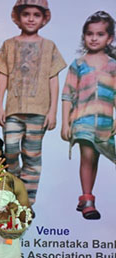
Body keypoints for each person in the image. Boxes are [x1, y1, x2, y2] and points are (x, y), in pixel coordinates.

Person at [0, 0, 66, 205]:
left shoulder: (49, 46)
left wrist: (53, 111)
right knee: (10, 150)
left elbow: (53, 79)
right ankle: (14, 191)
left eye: (36, 15)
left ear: (44, 18)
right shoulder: (9, 44)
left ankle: (27, 202)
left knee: (32, 156)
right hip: (13, 109)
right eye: (26, 14)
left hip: (39, 110)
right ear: (17, 17)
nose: (31, 19)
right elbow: (3, 75)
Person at [61, 11, 116, 220]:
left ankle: (85, 197)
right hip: (81, 120)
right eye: (89, 34)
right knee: (87, 155)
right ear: (84, 36)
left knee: (95, 158)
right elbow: (67, 94)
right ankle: (88, 200)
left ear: (109, 38)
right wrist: (65, 124)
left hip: (104, 123)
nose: (94, 38)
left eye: (100, 34)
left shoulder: (113, 66)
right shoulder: (78, 65)